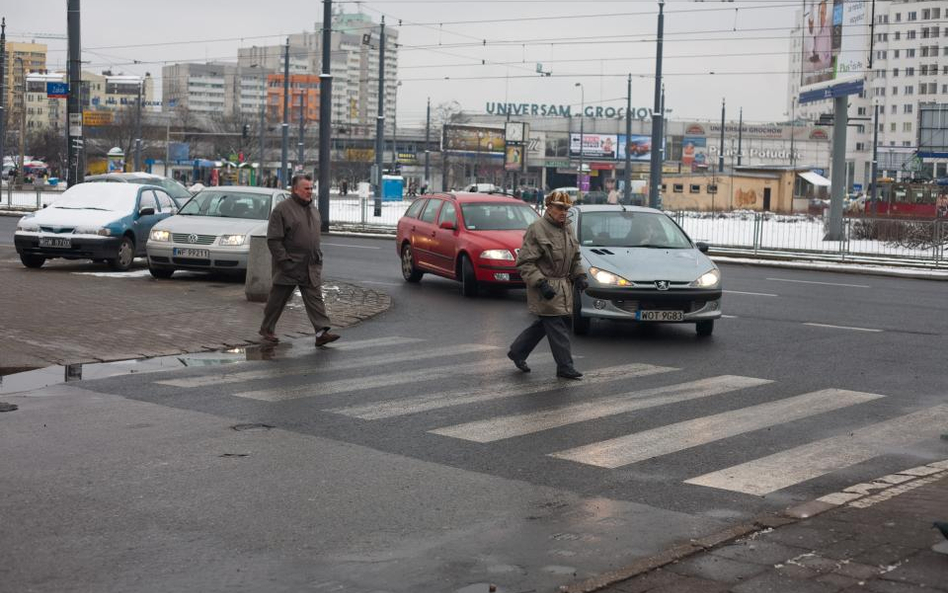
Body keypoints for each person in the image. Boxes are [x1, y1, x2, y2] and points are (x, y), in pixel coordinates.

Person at [507, 190, 586, 380]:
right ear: (549, 208)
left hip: (562, 286)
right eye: (559, 207)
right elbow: (524, 262)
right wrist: (541, 284)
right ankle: (565, 366)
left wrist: (580, 276)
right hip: (544, 287)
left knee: (546, 324)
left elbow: (574, 258)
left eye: (566, 208)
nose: (564, 212)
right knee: (557, 325)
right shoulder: (537, 228)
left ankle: (518, 351)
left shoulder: (567, 228)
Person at [259, 174, 340, 348]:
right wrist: (285, 262)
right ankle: (267, 329)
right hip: (289, 265)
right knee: (277, 300)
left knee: (315, 298)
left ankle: (321, 333)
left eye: (311, 188)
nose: (310, 192)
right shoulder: (282, 210)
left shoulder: (313, 209)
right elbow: (273, 240)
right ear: (295, 189)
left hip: (310, 265)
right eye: (306, 188)